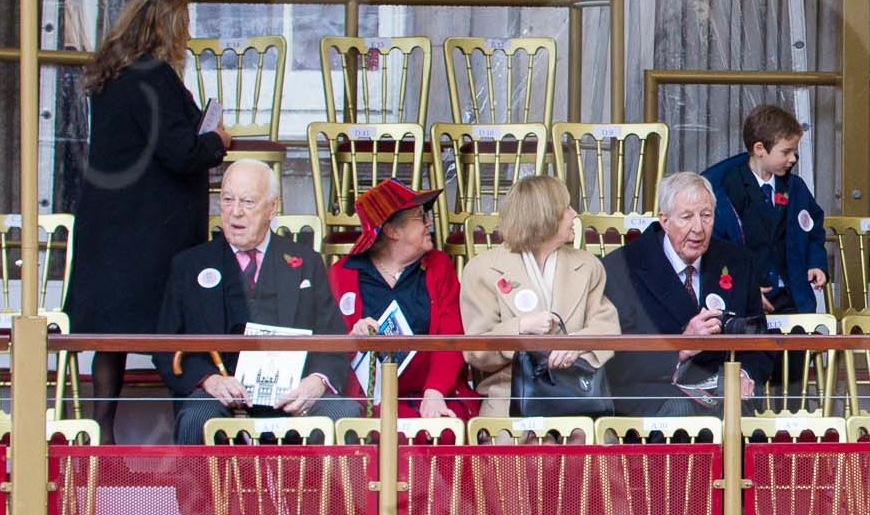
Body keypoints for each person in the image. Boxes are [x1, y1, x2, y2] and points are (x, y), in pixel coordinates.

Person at [67, 0, 231, 436]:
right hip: (151, 232)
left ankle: (102, 439)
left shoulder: (111, 77)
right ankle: (188, 428)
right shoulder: (154, 77)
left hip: (109, 227)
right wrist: (218, 140)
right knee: (173, 332)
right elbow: (180, 152)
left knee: (110, 340)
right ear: (167, 27)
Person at [154, 161, 349, 444]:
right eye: (227, 200)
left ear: (272, 208)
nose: (235, 212)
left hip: (292, 393)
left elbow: (333, 340)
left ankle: (324, 491)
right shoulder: (190, 265)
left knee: (342, 414)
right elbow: (165, 346)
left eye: (247, 201)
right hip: (220, 394)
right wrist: (210, 381)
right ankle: (209, 492)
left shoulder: (306, 262)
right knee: (197, 418)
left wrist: (316, 382)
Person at [601, 172, 772, 414]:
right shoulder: (623, 267)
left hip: (720, 391)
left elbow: (759, 342)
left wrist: (744, 374)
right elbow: (617, 359)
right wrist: (680, 348)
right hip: (653, 391)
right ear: (664, 220)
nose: (698, 229)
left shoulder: (739, 262)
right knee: (681, 412)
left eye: (706, 216)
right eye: (686, 217)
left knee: (738, 413)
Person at [458, 175, 622, 413]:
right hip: (510, 399)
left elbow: (607, 326)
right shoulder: (482, 269)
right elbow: (476, 352)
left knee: (589, 446)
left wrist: (577, 343)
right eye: (566, 208)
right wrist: (521, 327)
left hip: (578, 396)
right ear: (545, 216)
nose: (575, 214)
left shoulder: (588, 265)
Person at [328, 180, 475, 419]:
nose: (430, 223)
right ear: (391, 231)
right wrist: (353, 339)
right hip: (366, 402)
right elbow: (327, 349)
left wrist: (435, 391)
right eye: (420, 216)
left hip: (430, 396)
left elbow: (452, 335)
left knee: (445, 429)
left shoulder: (438, 266)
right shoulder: (342, 274)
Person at [702, 104, 829, 314]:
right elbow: (717, 250)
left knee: (799, 343)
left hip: (792, 296)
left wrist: (816, 263)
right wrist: (743, 289)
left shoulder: (796, 188)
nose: (793, 159)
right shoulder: (726, 191)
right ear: (760, 149)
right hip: (747, 300)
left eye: (794, 151)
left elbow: (814, 230)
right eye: (786, 151)